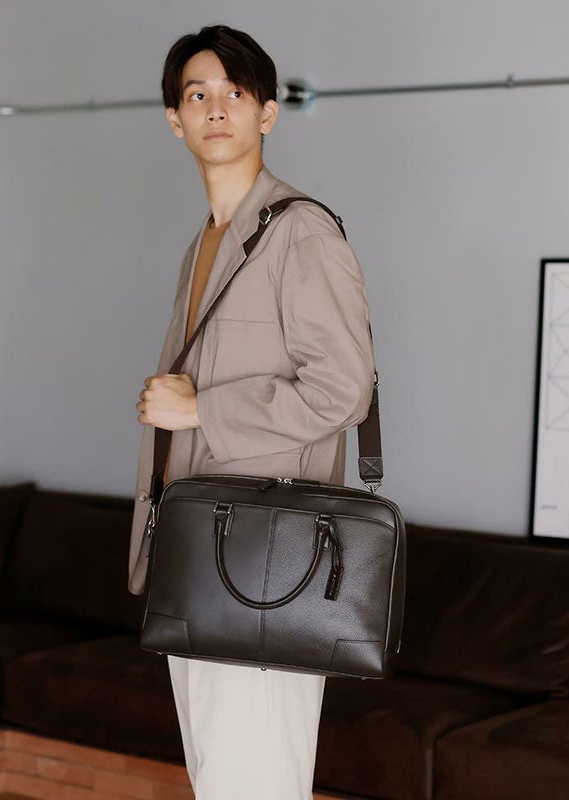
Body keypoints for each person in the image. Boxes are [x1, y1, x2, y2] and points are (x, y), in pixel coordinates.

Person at [129, 24, 376, 800]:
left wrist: (203, 408)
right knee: (220, 780)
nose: (216, 108)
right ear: (175, 119)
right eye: (197, 94)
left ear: (267, 112)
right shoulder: (204, 243)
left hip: (267, 567)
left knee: (254, 784)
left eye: (235, 92)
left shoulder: (301, 231)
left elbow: (343, 390)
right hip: (201, 553)